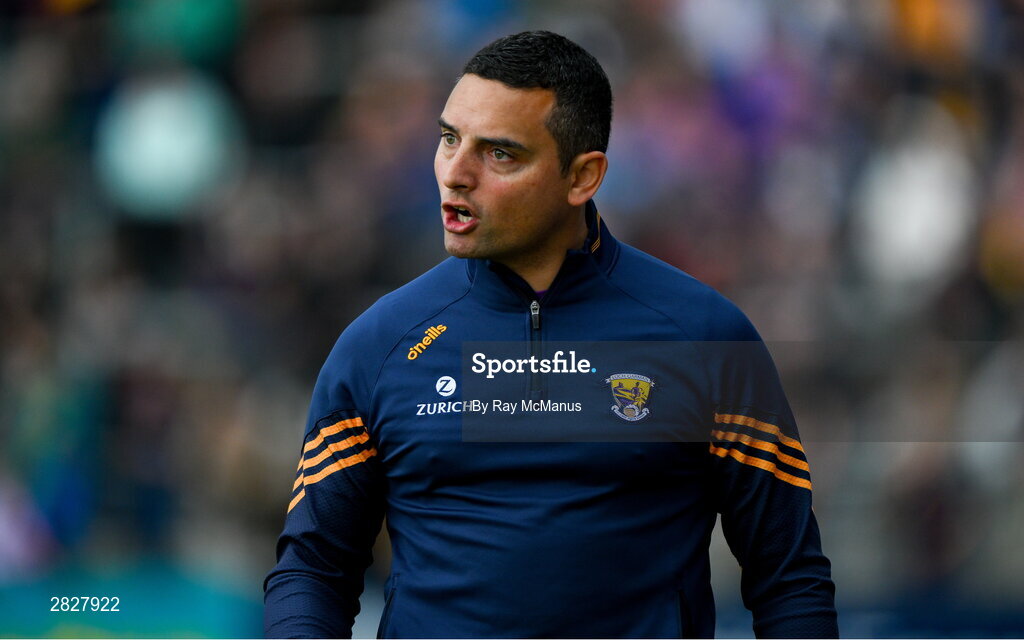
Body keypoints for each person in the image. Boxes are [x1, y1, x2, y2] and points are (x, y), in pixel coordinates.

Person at [264, 30, 838, 638]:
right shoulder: (378, 346)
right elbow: (313, 568)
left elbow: (789, 578)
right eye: (448, 139)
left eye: (499, 154)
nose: (455, 174)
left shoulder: (705, 339)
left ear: (582, 177)